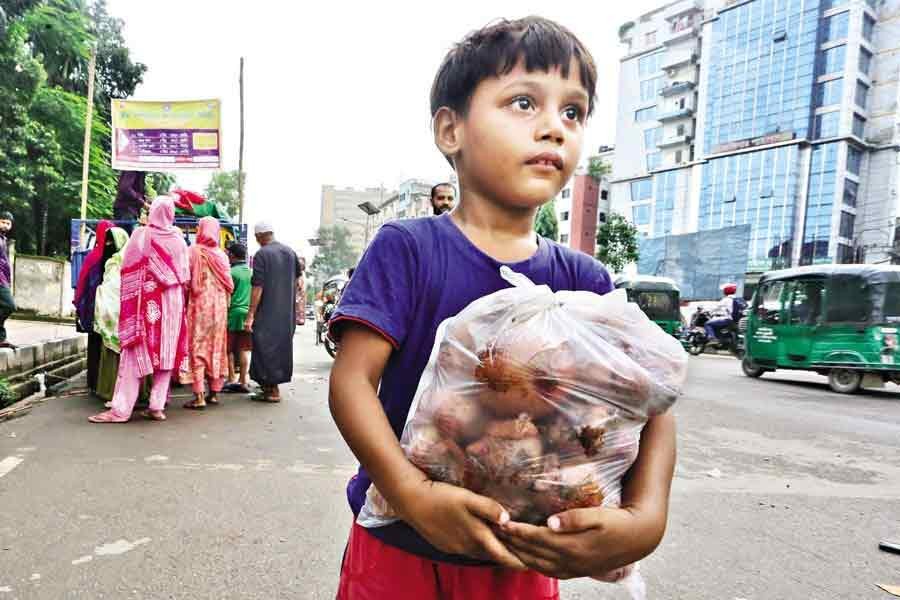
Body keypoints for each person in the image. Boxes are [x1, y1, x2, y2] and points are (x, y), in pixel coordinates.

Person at [328, 17, 676, 600]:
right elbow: (351, 383)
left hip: (522, 557)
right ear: (451, 130)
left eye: (573, 112)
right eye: (523, 102)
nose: (554, 128)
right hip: (401, 543)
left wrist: (646, 520)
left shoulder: (583, 280)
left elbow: (650, 406)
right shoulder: (410, 249)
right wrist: (413, 496)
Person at [89, 196, 190, 423]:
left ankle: (121, 409)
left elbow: (129, 268)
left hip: (147, 300)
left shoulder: (142, 235)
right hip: (173, 302)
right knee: (166, 353)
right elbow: (185, 275)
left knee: (134, 353)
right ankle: (156, 406)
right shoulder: (179, 239)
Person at [245, 222, 302, 402]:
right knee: (279, 349)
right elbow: (299, 283)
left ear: (260, 236)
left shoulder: (262, 254)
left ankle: (272, 391)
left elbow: (257, 288)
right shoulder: (290, 253)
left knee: (263, 349)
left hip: (267, 312)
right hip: (286, 314)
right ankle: (271, 388)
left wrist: (251, 314)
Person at [182, 217, 234, 410]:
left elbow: (186, 280)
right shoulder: (222, 256)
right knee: (216, 347)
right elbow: (229, 284)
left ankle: (199, 396)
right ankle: (214, 393)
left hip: (199, 307)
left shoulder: (193, 251)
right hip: (219, 309)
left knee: (198, 348)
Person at [73, 220, 115, 394]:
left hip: (93, 308)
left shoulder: (92, 256)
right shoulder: (116, 257)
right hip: (109, 310)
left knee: (94, 344)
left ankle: (92, 383)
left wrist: (78, 302)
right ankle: (103, 384)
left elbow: (81, 282)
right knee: (107, 346)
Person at [92, 226, 132, 402]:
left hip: (121, 313)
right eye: (106, 241)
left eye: (112, 241)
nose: (108, 244)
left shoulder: (122, 261)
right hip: (113, 313)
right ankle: (115, 392)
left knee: (121, 355)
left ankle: (121, 395)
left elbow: (115, 286)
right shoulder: (114, 261)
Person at [224, 241, 253, 394]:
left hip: (233, 313)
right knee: (242, 349)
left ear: (233, 256)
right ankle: (243, 379)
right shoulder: (251, 272)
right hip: (247, 314)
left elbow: (227, 295)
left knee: (228, 349)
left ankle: (231, 379)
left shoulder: (230, 273)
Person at [0, 212, 16, 349]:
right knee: (9, 305)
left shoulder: (3, 239)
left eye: (8, 223)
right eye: (3, 222)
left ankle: (0, 338)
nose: (5, 225)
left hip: (3, 278)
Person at [296, 257, 307, 326]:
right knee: (299, 306)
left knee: (300, 306)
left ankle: (300, 319)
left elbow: (301, 285)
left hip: (301, 292)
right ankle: (299, 319)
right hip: (300, 292)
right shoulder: (300, 274)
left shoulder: (301, 274)